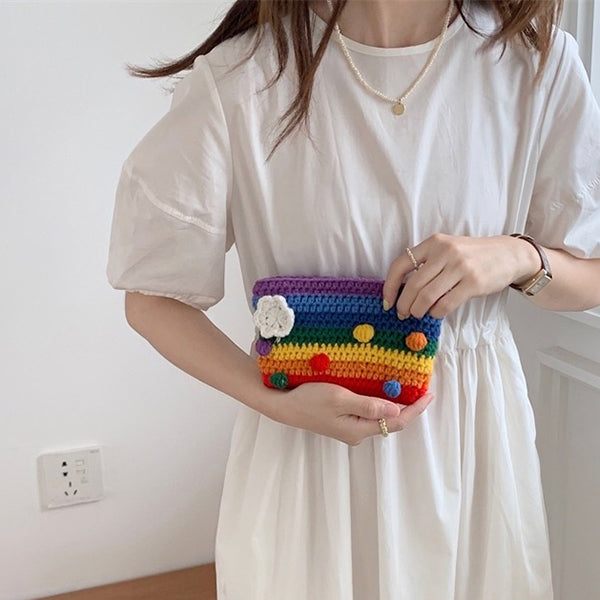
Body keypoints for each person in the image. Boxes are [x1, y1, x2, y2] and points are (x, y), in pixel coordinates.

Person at [106, 0, 600, 597]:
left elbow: (590, 273)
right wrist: (274, 402)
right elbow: (152, 295)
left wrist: (519, 257)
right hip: (305, 451)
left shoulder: (534, 64)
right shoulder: (243, 77)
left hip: (472, 452)